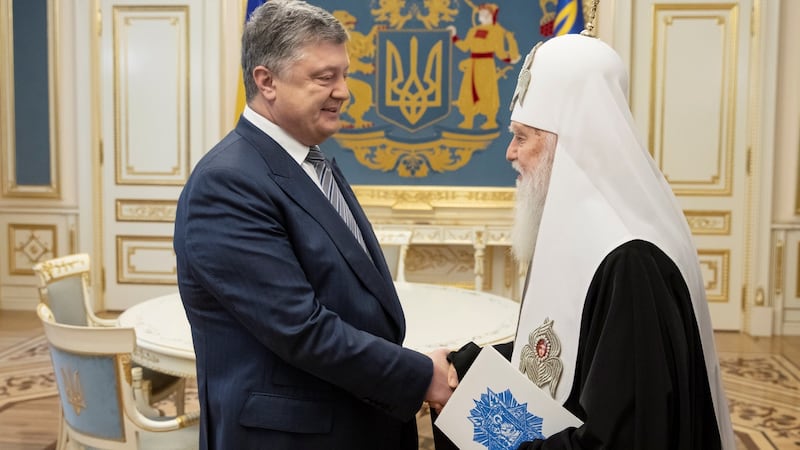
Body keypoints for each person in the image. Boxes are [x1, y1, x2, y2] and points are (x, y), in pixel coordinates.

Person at [173, 1, 451, 448]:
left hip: (348, 417)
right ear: (267, 81)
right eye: (325, 77)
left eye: (344, 74)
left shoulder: (311, 161)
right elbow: (301, 328)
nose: (343, 91)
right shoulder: (226, 183)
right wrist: (418, 375)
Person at [437, 33, 736, 449]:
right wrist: (464, 365)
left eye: (522, 137)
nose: (510, 152)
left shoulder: (629, 260)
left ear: (567, 144)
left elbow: (623, 437)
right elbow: (562, 354)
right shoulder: (582, 234)